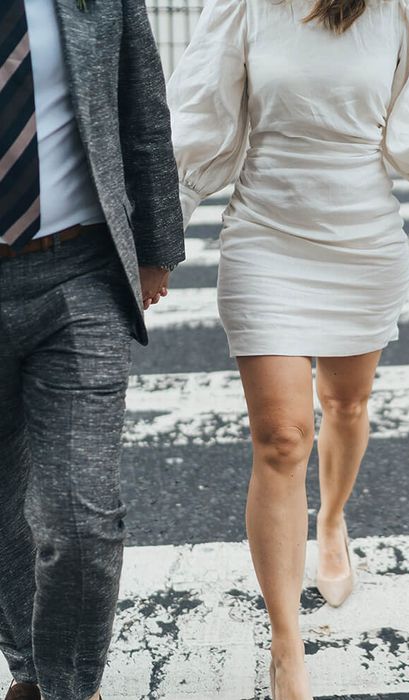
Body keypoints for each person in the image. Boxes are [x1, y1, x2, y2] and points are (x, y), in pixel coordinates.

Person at [168, 0, 409, 697]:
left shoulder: (395, 13)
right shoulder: (244, 10)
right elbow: (202, 129)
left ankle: (332, 520)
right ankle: (287, 647)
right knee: (282, 438)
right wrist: (158, 243)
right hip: (264, 239)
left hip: (363, 243)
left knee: (345, 405)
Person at [0, 0, 185, 698]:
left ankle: (69, 687)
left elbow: (143, 109)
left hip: (78, 272)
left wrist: (158, 246)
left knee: (84, 517)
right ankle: (31, 671)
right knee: (2, 503)